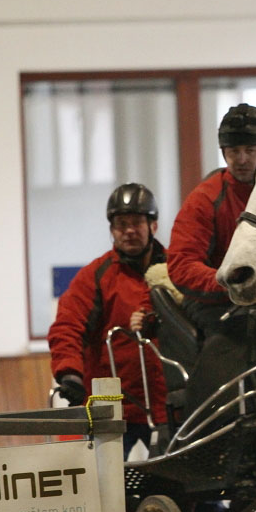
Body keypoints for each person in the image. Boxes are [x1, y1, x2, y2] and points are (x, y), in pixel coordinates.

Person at [164, 103, 256, 412]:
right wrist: (233, 283)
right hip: (217, 300)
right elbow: (181, 265)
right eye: (232, 151)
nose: (241, 159)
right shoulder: (205, 198)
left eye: (250, 149)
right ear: (223, 152)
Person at [49, 183, 168, 459]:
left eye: (136, 222)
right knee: (103, 488)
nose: (128, 230)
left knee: (179, 487)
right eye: (120, 224)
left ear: (153, 226)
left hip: (165, 404)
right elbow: (67, 325)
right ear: (111, 230)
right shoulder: (95, 276)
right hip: (112, 406)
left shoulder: (176, 269)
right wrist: (70, 373)